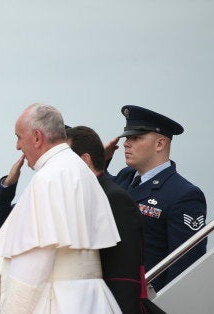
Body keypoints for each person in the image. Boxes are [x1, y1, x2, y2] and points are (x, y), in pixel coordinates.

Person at [0, 104, 121, 313]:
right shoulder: (78, 168)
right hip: (91, 299)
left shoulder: (49, 177)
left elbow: (33, 262)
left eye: (19, 137)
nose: (18, 146)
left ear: (37, 137)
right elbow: (45, 248)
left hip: (60, 301)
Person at [105, 105, 207, 291]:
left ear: (160, 144)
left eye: (136, 137)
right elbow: (97, 193)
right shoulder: (125, 177)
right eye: (127, 137)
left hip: (146, 301)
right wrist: (100, 162)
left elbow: (185, 263)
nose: (127, 143)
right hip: (114, 295)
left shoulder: (184, 194)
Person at [67, 126, 144, 313]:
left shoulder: (114, 198)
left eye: (66, 160)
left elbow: (124, 278)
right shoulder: (83, 195)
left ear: (85, 161)